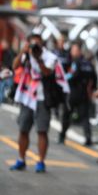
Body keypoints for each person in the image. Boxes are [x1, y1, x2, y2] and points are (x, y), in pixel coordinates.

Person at [10, 33, 69, 173]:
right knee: (23, 129)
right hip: (27, 97)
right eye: (32, 44)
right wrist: (23, 52)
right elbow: (14, 66)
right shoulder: (26, 55)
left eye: (37, 44)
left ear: (42, 44)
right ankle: (21, 159)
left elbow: (47, 72)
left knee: (41, 131)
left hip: (42, 99)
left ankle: (41, 162)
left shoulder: (50, 57)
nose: (35, 47)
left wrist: (38, 58)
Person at [58, 42, 96, 146]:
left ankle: (63, 136)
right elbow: (93, 78)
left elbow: (71, 76)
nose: (73, 52)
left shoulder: (76, 63)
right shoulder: (88, 63)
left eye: (75, 50)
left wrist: (62, 79)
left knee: (71, 116)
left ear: (79, 51)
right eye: (72, 50)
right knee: (81, 117)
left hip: (74, 93)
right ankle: (87, 138)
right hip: (81, 93)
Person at [0, 39, 16, 103]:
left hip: (7, 71)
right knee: (3, 87)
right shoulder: (3, 52)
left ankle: (4, 98)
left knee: (6, 86)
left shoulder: (9, 52)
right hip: (5, 71)